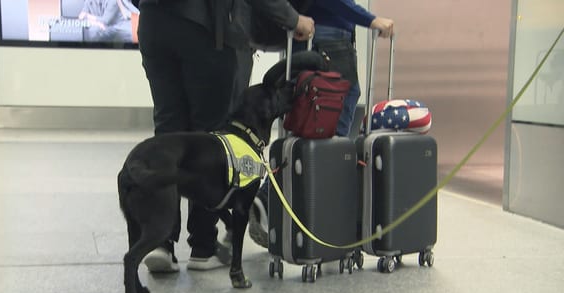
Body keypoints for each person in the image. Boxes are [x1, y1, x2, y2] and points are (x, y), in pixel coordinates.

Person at [137, 0, 315, 272]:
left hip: (154, 22)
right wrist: (293, 19)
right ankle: (203, 246)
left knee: (168, 131)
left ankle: (160, 241)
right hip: (207, 27)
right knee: (210, 135)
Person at [248, 0, 395, 247]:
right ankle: (317, 218)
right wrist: (370, 19)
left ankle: (270, 200)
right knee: (329, 137)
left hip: (307, 36)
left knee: (307, 127)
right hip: (331, 40)